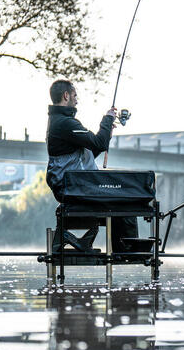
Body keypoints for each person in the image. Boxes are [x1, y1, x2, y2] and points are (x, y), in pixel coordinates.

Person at [46, 79, 138, 252]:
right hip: (72, 188)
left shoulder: (58, 121)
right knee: (125, 200)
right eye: (74, 95)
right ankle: (127, 251)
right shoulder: (65, 123)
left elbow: (89, 152)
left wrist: (107, 132)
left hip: (74, 185)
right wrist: (107, 119)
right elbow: (99, 143)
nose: (76, 99)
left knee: (122, 197)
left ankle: (124, 249)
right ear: (66, 96)